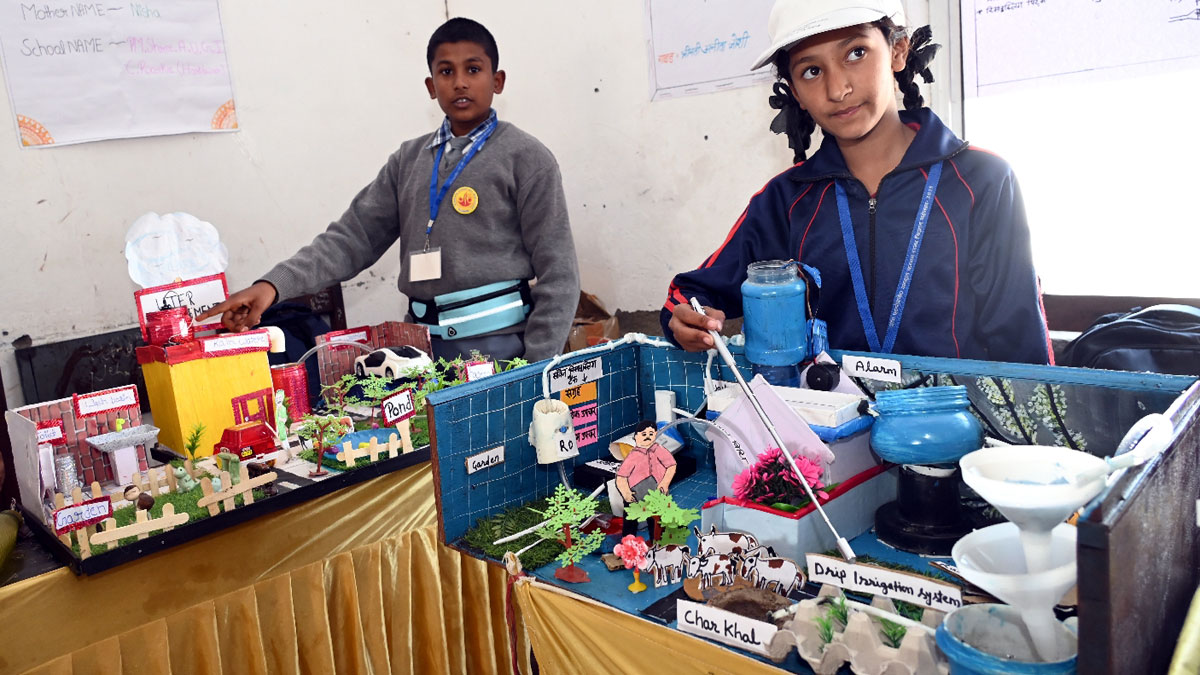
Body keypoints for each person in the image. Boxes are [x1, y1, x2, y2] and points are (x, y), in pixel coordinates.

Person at [661, 0, 1052, 365]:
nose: (837, 89)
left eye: (856, 53)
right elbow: (691, 295)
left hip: (954, 427)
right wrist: (687, 319)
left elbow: (1021, 341)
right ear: (795, 92)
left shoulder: (980, 181)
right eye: (811, 71)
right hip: (822, 428)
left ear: (898, 50)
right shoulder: (784, 200)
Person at [200, 18, 579, 363]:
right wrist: (271, 286)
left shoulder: (528, 159)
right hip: (421, 353)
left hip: (502, 350)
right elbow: (350, 238)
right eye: (446, 72)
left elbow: (559, 274)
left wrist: (538, 366)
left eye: (473, 70)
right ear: (432, 87)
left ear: (497, 81)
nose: (460, 82)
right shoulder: (408, 160)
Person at [616, 420, 677, 537]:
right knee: (630, 521)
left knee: (656, 521)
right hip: (636, 494)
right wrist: (626, 493)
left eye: (651, 434)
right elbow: (621, 477)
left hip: (656, 492)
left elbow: (671, 466)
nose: (647, 437)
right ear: (636, 437)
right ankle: (628, 545)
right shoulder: (633, 456)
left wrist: (665, 483)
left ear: (655, 434)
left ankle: (658, 545)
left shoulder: (659, 450)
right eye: (643, 434)